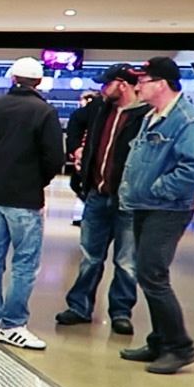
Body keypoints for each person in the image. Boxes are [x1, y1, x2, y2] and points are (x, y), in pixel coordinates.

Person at [117, 57, 194, 374]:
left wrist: (160, 188)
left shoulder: (188, 121)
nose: (138, 86)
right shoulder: (152, 116)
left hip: (167, 209)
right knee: (149, 275)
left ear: (161, 84)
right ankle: (159, 341)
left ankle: (180, 346)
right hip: (146, 206)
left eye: (143, 81)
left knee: (152, 275)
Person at [0, 57, 65, 350]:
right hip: (25, 199)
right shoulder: (44, 112)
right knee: (24, 263)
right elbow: (54, 159)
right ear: (39, 82)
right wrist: (37, 180)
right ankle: (13, 324)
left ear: (12, 79)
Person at [55, 64, 147, 335]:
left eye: (105, 84)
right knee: (90, 256)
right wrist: (77, 149)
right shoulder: (100, 110)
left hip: (128, 200)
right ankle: (79, 306)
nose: (101, 89)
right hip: (97, 195)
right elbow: (76, 122)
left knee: (126, 261)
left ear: (121, 84)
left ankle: (121, 312)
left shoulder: (145, 116)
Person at [66, 90, 102, 226]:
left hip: (88, 159)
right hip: (83, 157)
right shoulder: (82, 117)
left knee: (80, 184)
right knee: (78, 184)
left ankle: (88, 212)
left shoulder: (91, 115)